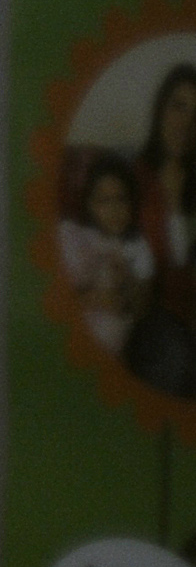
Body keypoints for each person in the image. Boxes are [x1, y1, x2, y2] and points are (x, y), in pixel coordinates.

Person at [65, 152, 154, 355]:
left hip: (112, 330)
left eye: (120, 199)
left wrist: (126, 284)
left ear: (132, 204)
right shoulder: (79, 237)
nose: (113, 210)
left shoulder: (136, 246)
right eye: (103, 200)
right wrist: (95, 299)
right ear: (89, 205)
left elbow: (142, 301)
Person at [135, 62, 196, 317]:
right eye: (178, 106)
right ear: (161, 109)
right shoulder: (134, 179)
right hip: (154, 314)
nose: (186, 123)